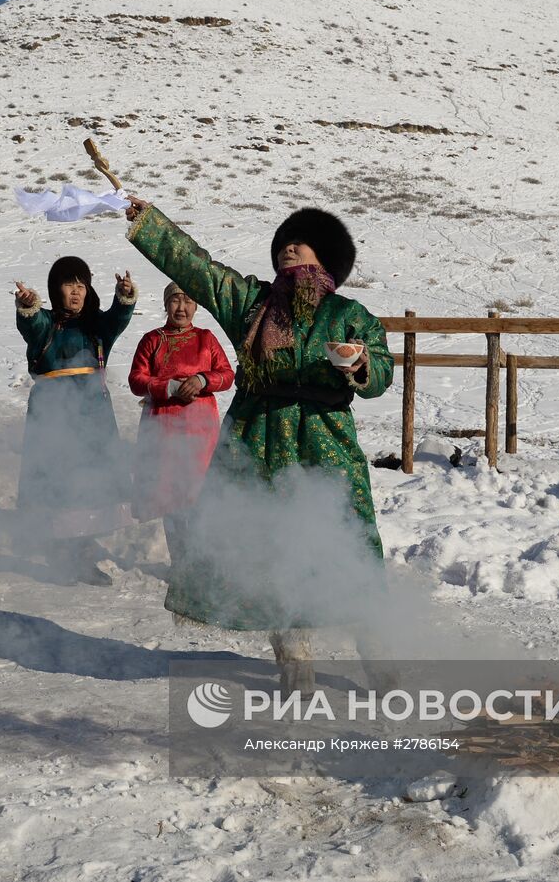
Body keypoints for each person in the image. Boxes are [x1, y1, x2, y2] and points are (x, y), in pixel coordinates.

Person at [123, 197, 394, 693]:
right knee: (272, 548)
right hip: (257, 437)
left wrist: (360, 367)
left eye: (301, 241)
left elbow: (380, 370)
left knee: (350, 541)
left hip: (326, 441)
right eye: (284, 242)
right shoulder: (252, 304)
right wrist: (149, 222)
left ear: (325, 258)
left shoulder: (349, 313)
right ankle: (295, 659)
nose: (289, 246)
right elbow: (196, 267)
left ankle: (378, 653)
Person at [14, 257, 137, 585]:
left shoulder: (96, 326)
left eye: (81, 285)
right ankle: (59, 552)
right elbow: (30, 323)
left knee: (90, 484)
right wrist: (27, 305)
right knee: (57, 482)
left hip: (93, 416)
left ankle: (80, 551)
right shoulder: (45, 324)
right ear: (57, 289)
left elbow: (118, 318)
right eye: (69, 285)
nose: (76, 291)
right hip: (52, 414)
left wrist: (124, 296)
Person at [128, 283, 234, 559]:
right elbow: (136, 380)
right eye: (175, 300)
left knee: (200, 493)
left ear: (197, 306)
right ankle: (180, 562)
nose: (182, 307)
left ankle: (200, 561)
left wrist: (202, 379)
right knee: (171, 494)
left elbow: (226, 375)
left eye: (188, 300)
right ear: (166, 305)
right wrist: (169, 387)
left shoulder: (206, 339)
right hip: (163, 427)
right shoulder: (153, 340)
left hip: (201, 429)